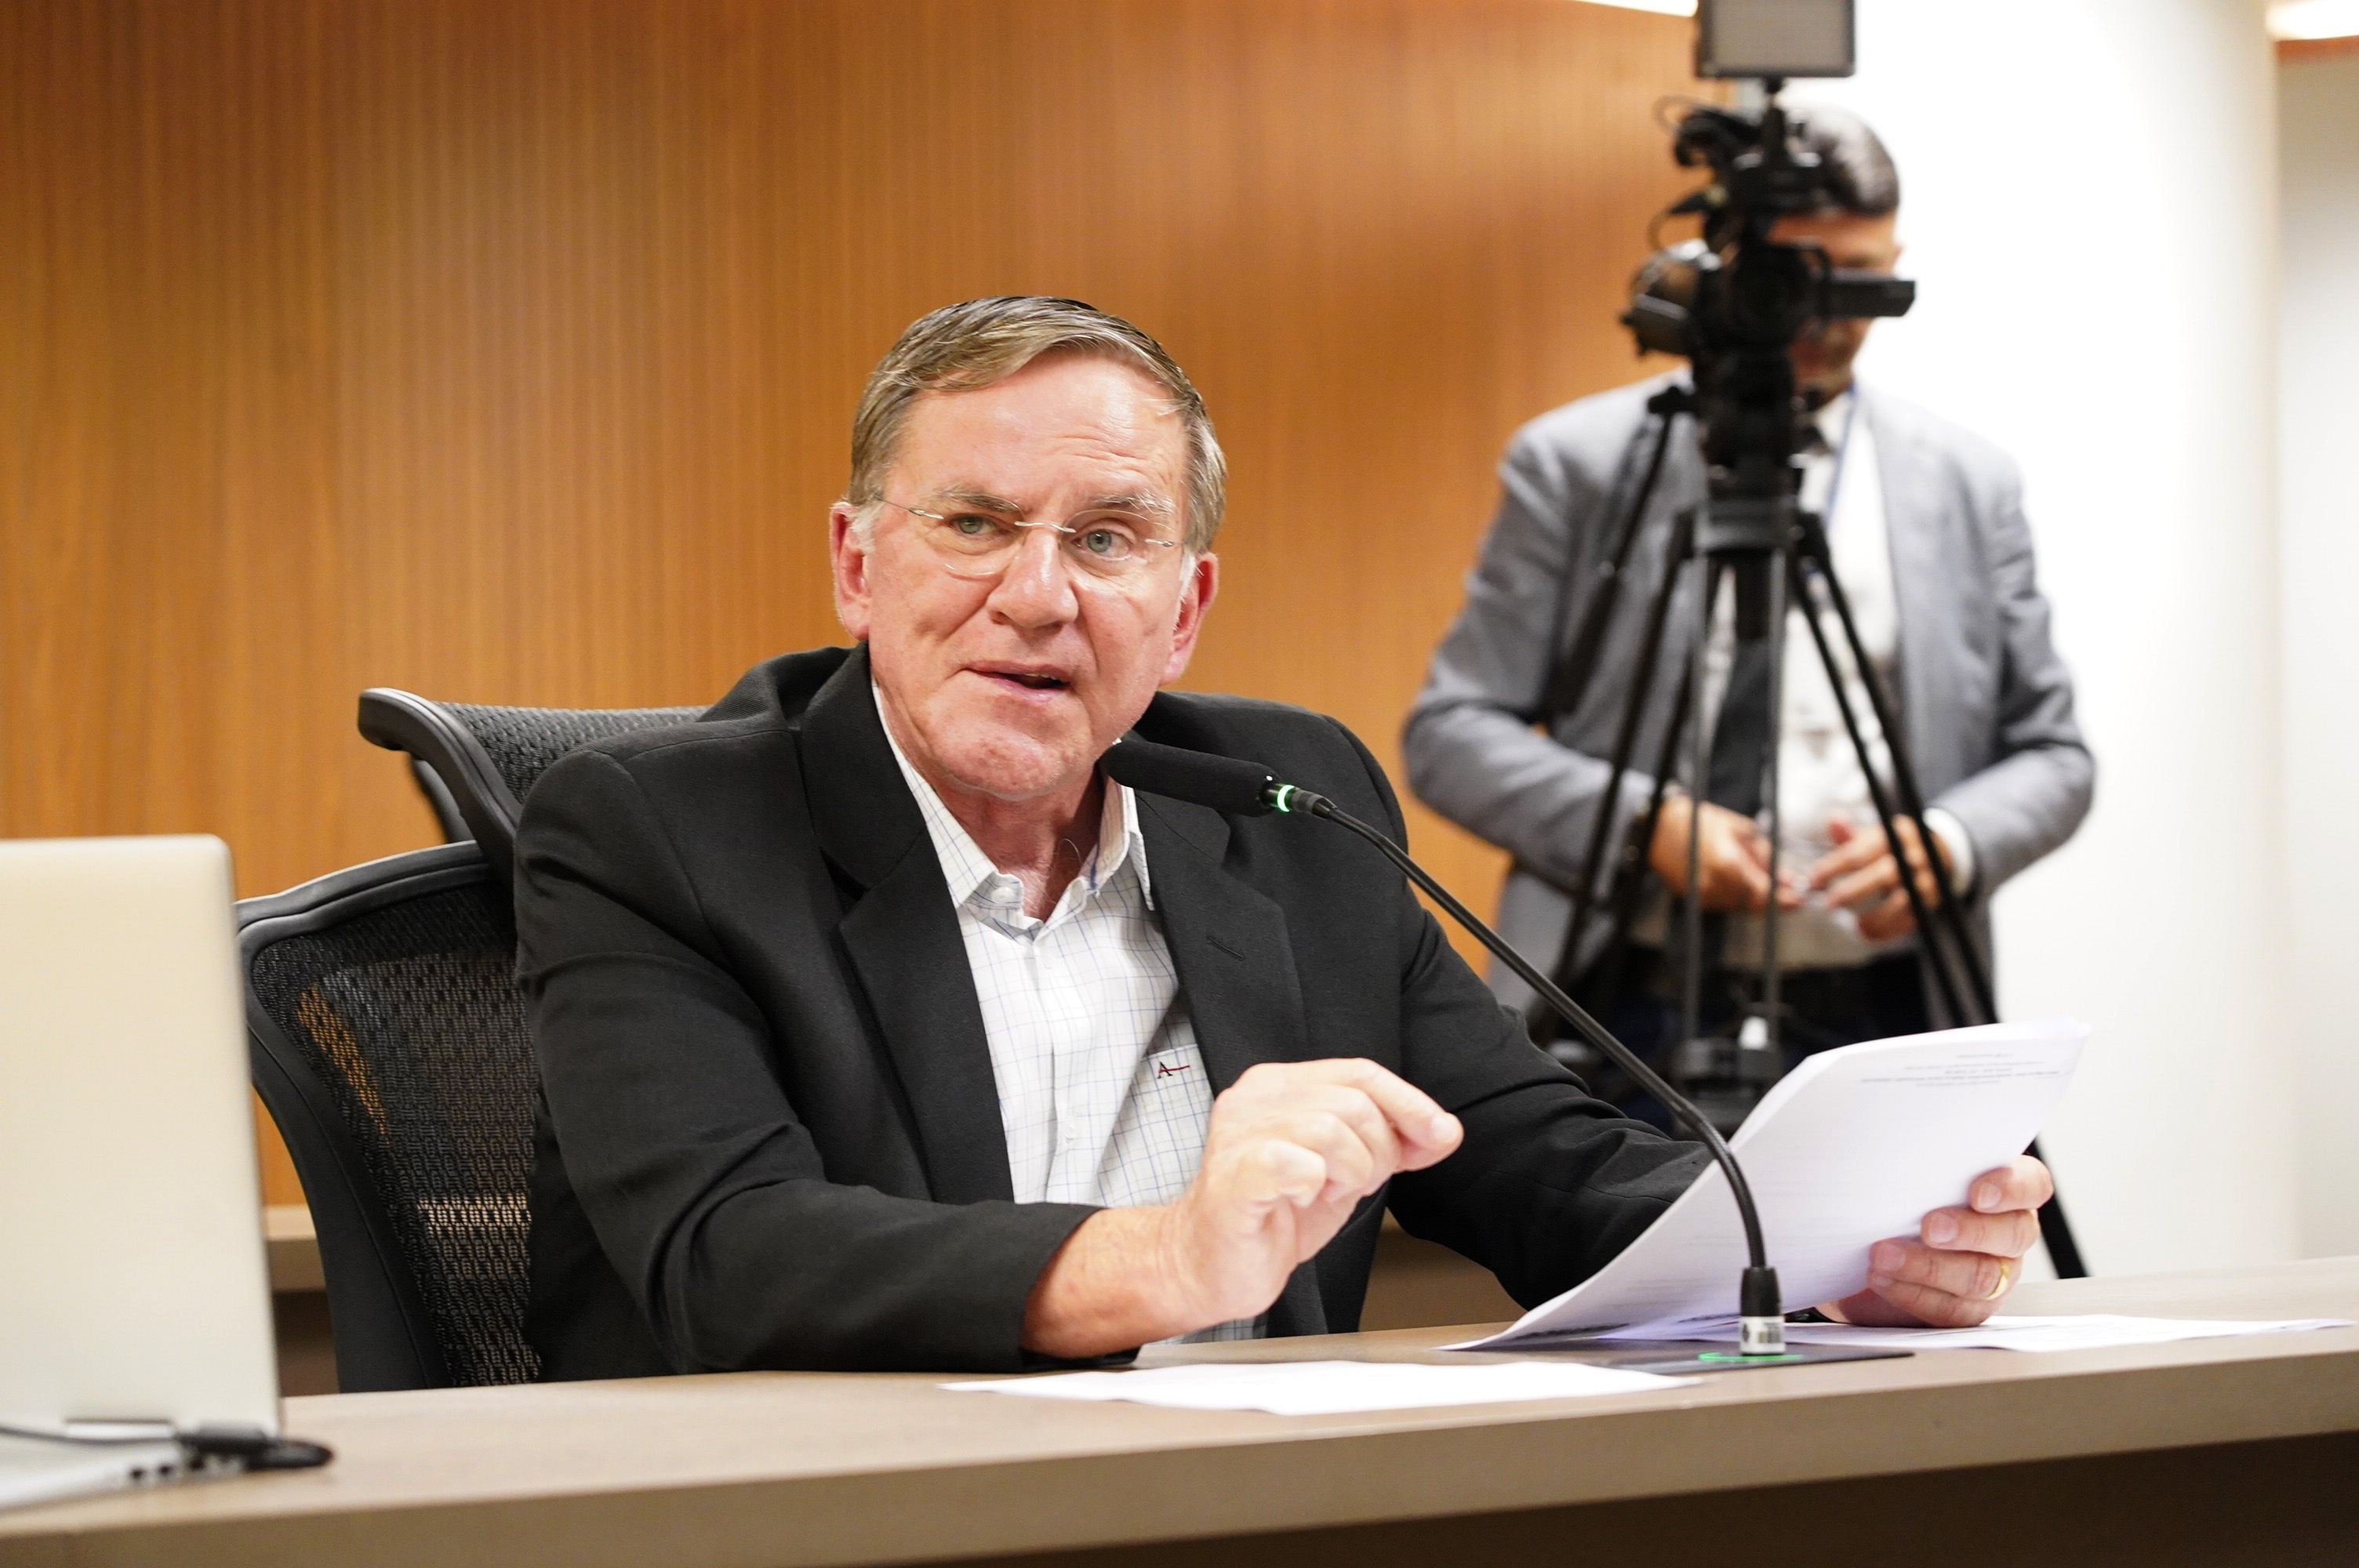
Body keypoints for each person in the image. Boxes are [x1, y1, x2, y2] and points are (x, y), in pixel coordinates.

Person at [515, 295, 2053, 1377]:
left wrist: (1827, 1246)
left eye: (1107, 538)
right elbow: (733, 1258)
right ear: (857, 565)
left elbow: (1531, 1160)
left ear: (1183, 607)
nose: (1037, 596)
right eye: (972, 524)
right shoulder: (657, 833)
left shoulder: (1284, 799)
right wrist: (1168, 1257)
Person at [1403, 108, 2092, 1095]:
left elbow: (2054, 754)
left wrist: (1947, 844)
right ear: (1723, 270)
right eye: (1792, 274)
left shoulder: (1966, 482)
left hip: (1893, 1007)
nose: (1817, 314)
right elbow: (1450, 733)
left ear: (1895, 262)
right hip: (1621, 1001)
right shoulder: (1579, 464)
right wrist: (1643, 826)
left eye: (1854, 275)